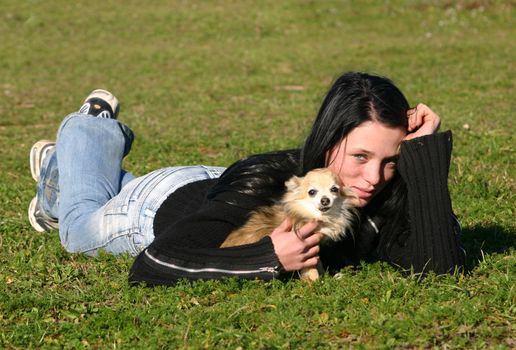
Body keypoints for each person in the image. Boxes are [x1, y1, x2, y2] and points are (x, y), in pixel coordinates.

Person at [28, 72, 465, 286]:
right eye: (360, 156)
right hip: (151, 208)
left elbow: (438, 265)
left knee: (87, 190)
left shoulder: (377, 189)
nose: (374, 178)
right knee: (78, 224)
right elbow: (153, 263)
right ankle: (89, 134)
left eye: (392, 160)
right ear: (329, 142)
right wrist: (265, 256)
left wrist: (424, 155)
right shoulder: (263, 184)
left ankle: (64, 169)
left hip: (215, 189)